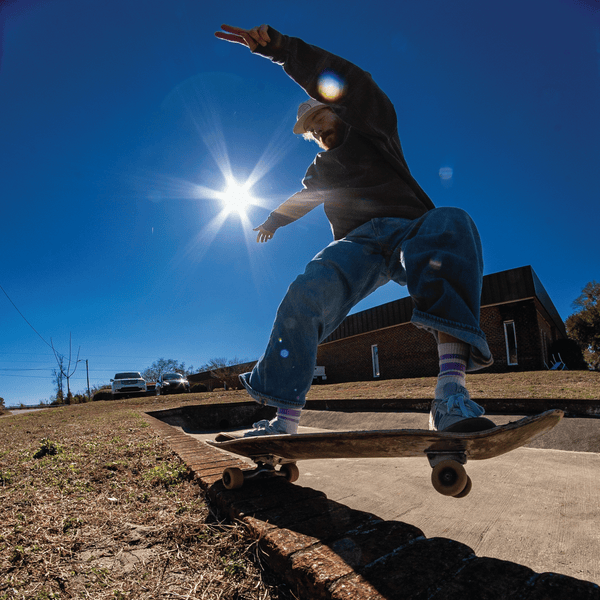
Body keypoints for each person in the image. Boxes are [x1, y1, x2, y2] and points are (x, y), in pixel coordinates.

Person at [214, 23, 494, 436]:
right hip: (356, 245)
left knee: (452, 223)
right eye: (312, 130)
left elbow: (355, 85)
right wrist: (275, 219)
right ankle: (284, 420)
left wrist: (282, 50)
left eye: (322, 118)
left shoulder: (373, 130)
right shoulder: (322, 168)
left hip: (407, 230)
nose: (318, 130)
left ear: (335, 107)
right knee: (306, 291)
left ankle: (450, 395)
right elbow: (304, 196)